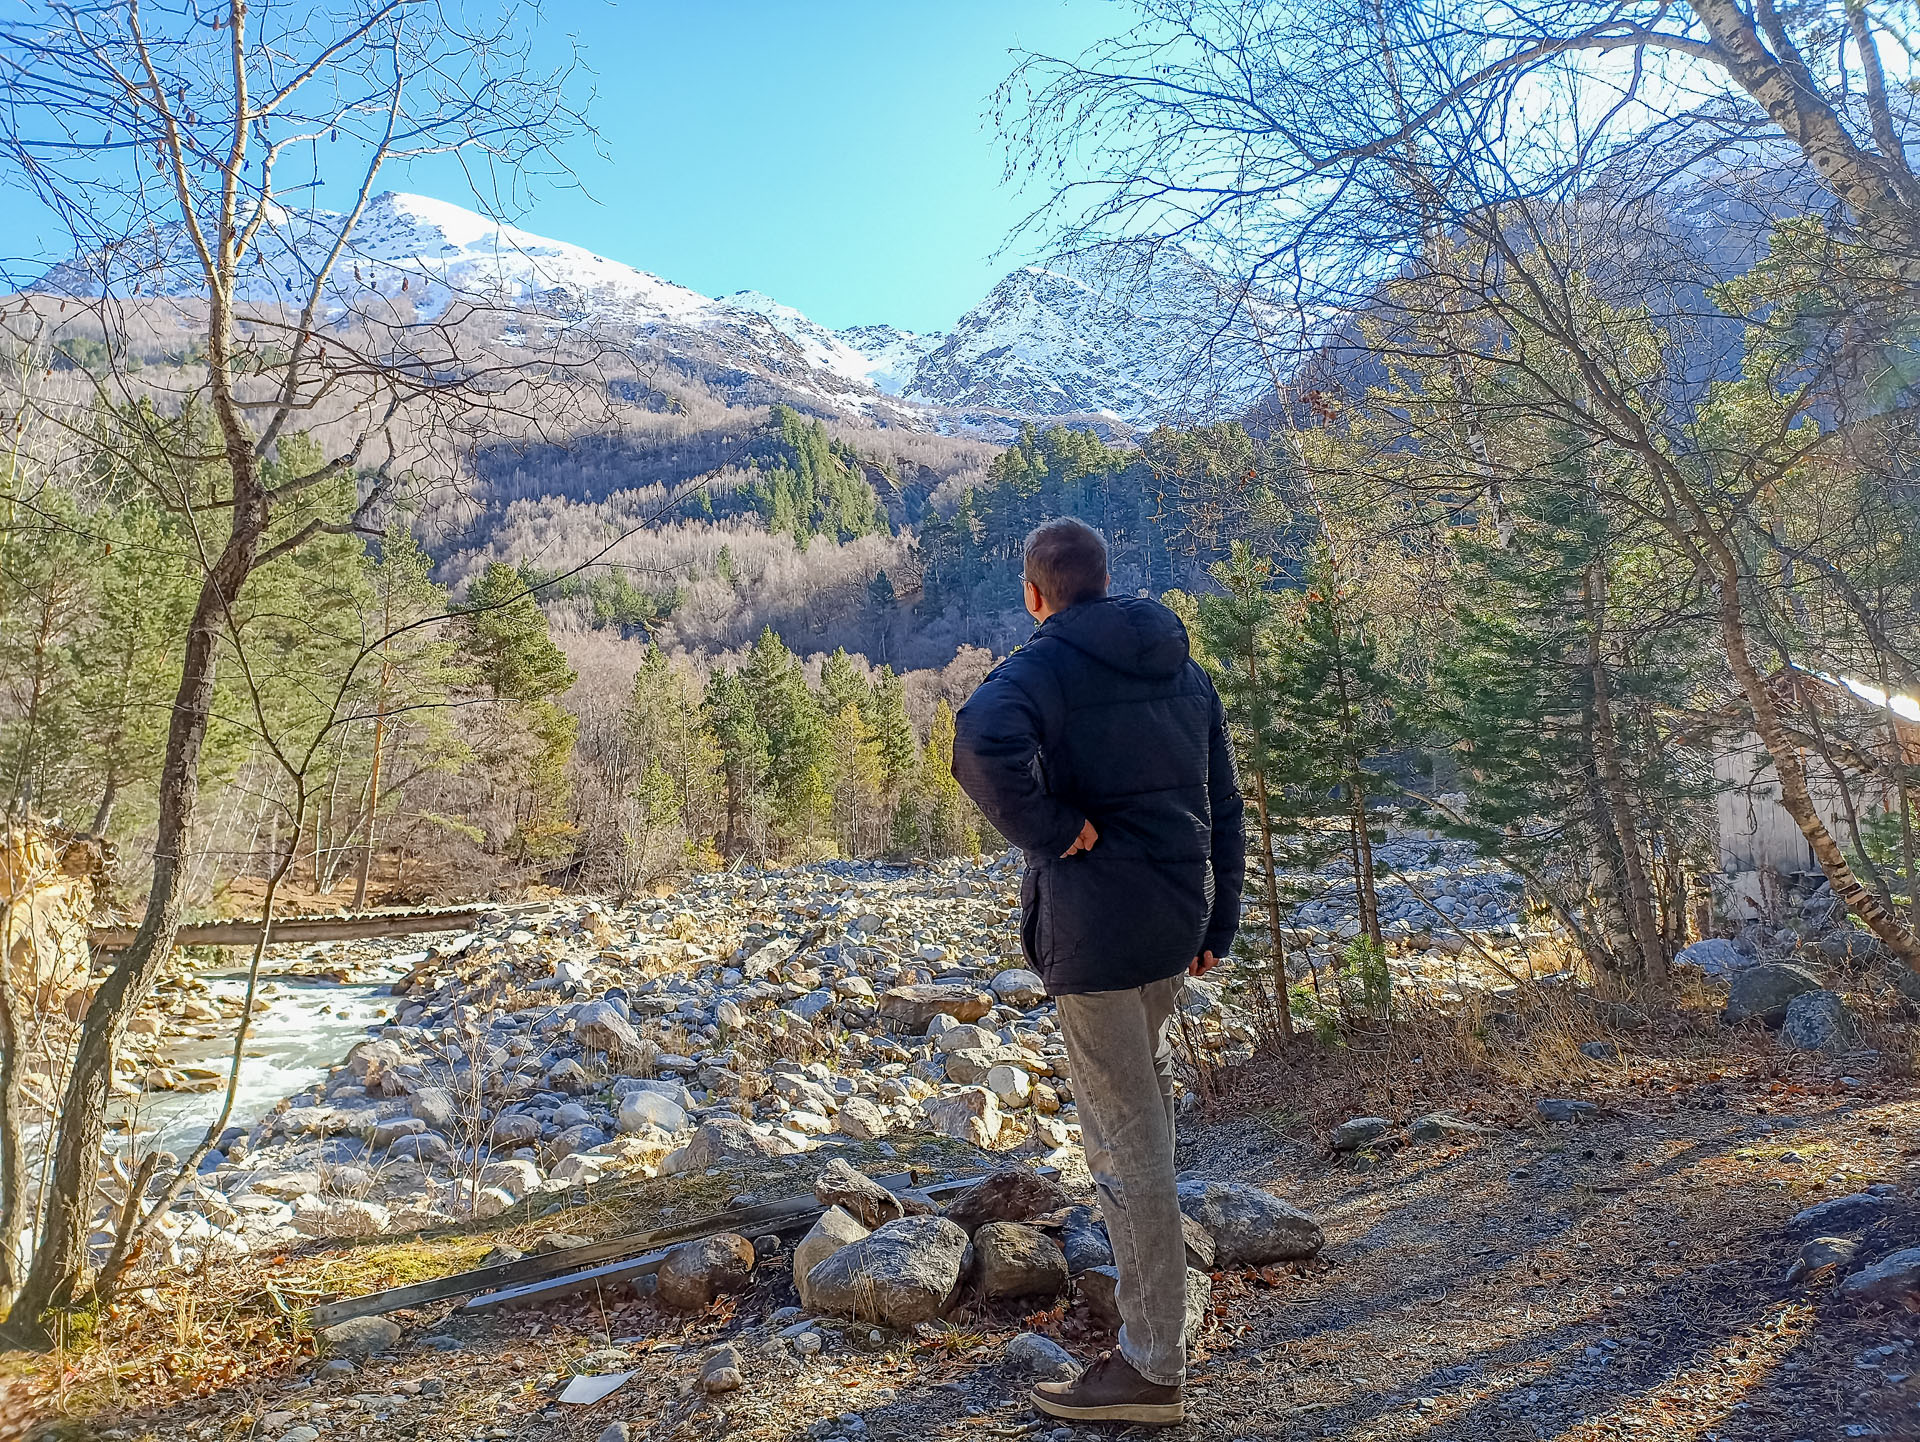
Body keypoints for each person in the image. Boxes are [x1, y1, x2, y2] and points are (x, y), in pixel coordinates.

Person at [950, 516, 1245, 1427]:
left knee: (1125, 1148)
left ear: (1035, 593)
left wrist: (1053, 828)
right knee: (1142, 1113)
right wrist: (1220, 919)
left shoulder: (1042, 667)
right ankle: (1157, 1332)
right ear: (1106, 580)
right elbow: (1224, 802)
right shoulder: (1183, 669)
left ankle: (1152, 1366)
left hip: (1097, 936)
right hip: (1172, 922)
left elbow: (976, 743)